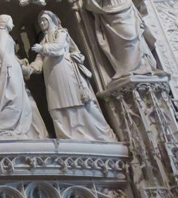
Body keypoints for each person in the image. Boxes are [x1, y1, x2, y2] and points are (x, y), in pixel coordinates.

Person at [29, 11, 117, 142]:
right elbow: (39, 60)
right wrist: (29, 69)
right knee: (56, 105)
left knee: (75, 100)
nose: (42, 23)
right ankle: (66, 135)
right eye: (40, 21)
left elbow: (58, 48)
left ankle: (97, 134)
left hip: (65, 70)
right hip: (51, 76)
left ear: (52, 20)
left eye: (44, 20)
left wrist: (42, 48)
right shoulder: (44, 39)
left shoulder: (61, 33)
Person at [84, 0, 157, 79]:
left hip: (129, 12)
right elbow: (93, 5)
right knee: (127, 38)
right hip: (112, 16)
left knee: (139, 39)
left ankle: (145, 66)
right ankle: (128, 69)